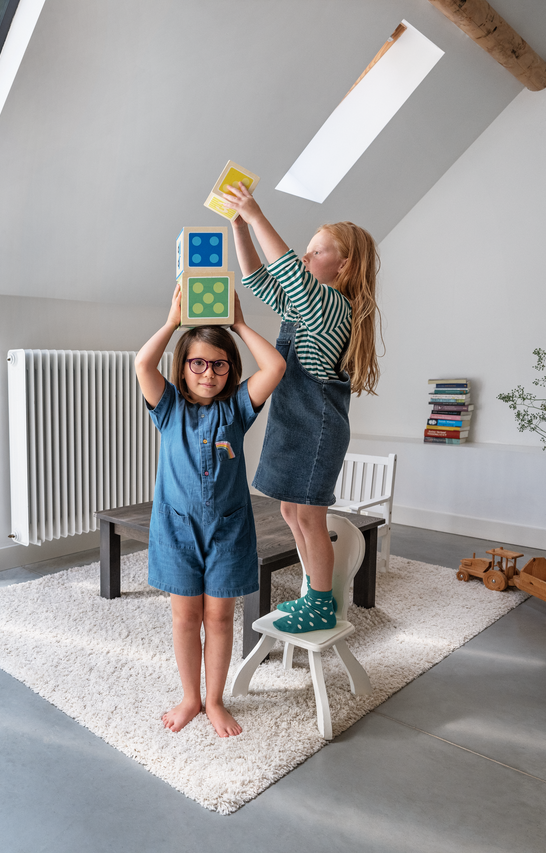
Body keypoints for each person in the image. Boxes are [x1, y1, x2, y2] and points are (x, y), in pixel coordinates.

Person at [221, 182, 381, 635]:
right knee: (291, 512)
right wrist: (240, 228)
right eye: (306, 251)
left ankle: (321, 603)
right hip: (293, 424)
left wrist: (256, 215)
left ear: (344, 265)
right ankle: (313, 590)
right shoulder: (304, 307)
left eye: (316, 251)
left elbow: (288, 270)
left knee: (309, 515)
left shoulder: (333, 306)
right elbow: (258, 280)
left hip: (316, 428)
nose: (306, 258)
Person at [135, 284, 285, 737]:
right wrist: (171, 322)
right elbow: (142, 363)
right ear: (182, 368)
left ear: (230, 368)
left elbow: (275, 365)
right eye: (197, 363)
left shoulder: (238, 408)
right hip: (176, 532)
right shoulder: (168, 408)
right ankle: (190, 698)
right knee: (186, 617)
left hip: (229, 532)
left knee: (219, 618)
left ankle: (215, 701)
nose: (208, 372)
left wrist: (239, 323)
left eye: (219, 364)